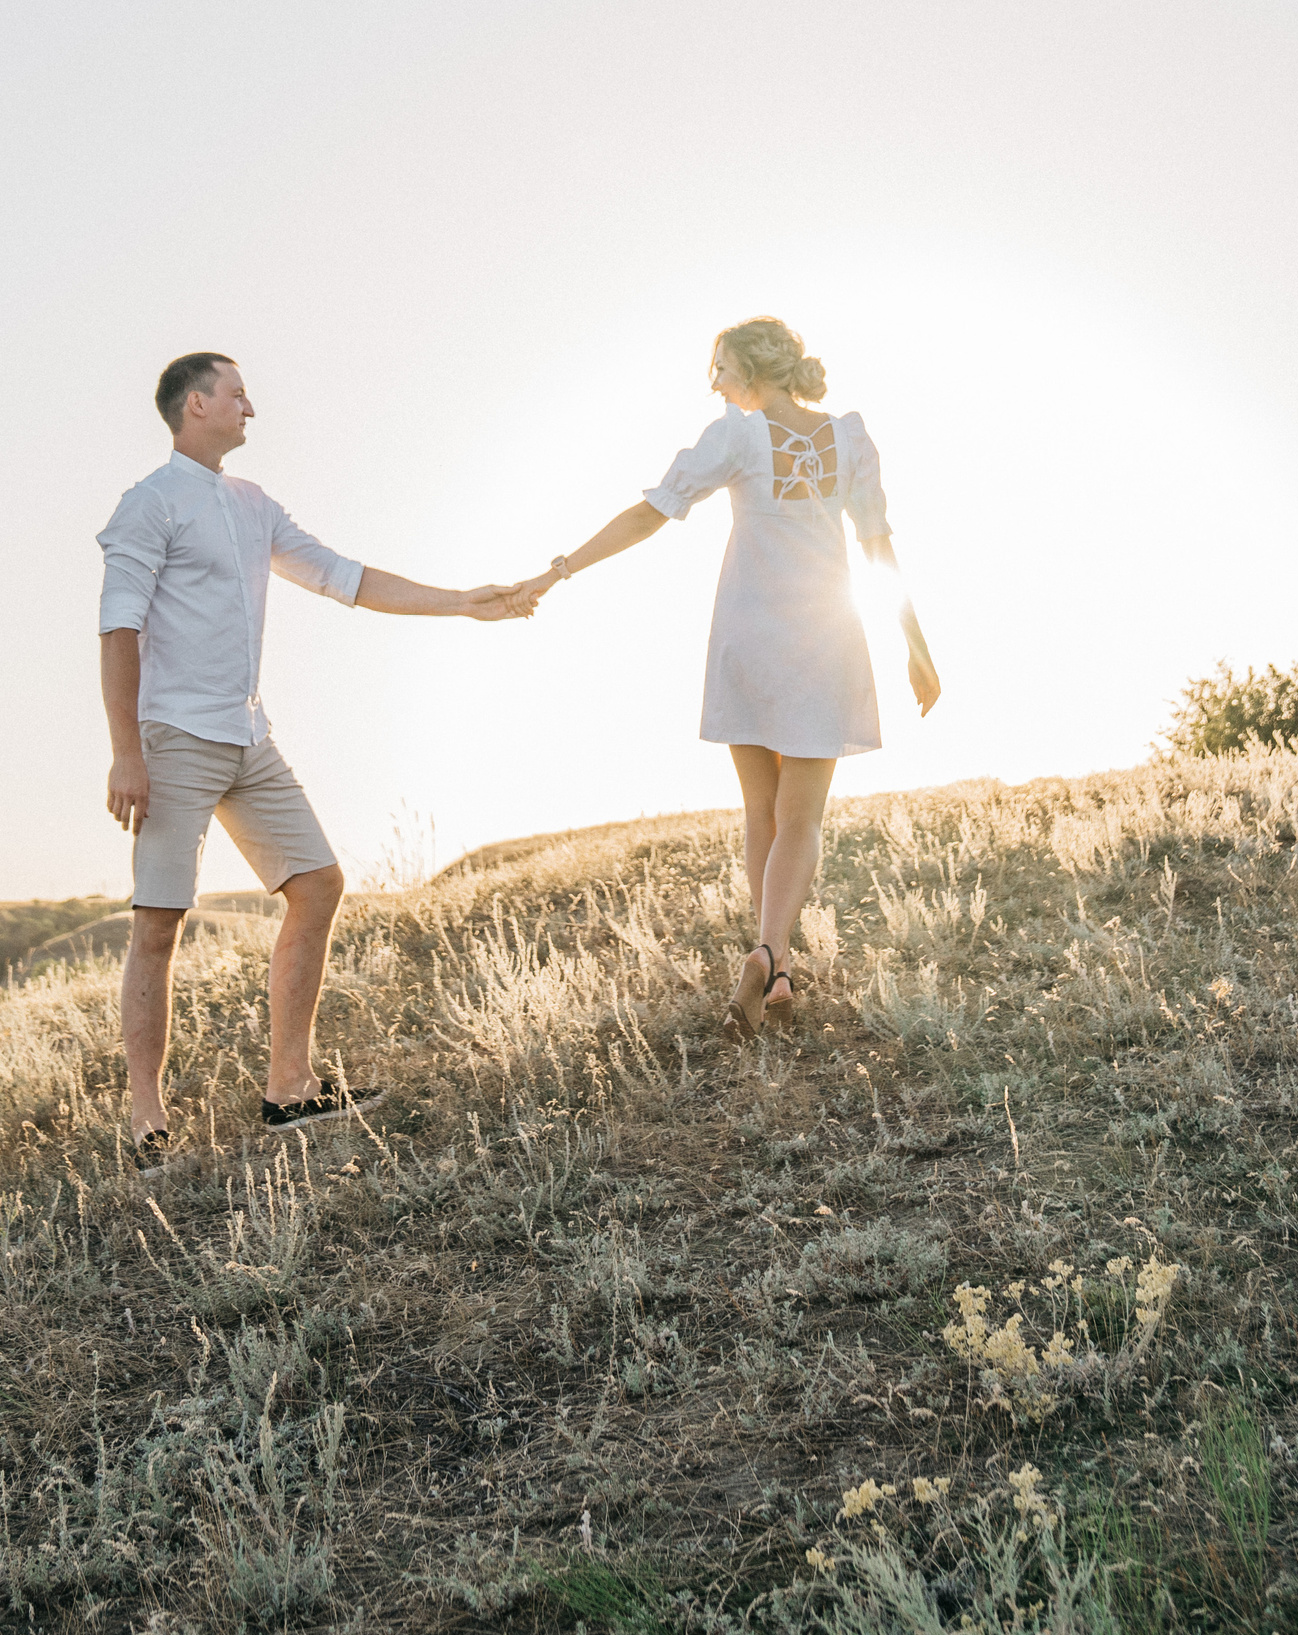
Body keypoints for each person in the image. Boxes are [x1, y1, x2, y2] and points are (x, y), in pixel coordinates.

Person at [98, 352, 531, 1170]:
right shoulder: (148, 505)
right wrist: (127, 752)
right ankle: (147, 1123)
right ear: (196, 405)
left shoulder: (253, 505)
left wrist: (462, 602)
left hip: (249, 738)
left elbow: (345, 578)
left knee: (318, 883)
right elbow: (117, 629)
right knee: (159, 923)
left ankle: (289, 1088)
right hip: (174, 741)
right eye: (236, 394)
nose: (250, 407)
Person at [517, 317, 940, 1038]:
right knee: (801, 818)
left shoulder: (736, 435)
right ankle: (772, 957)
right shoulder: (850, 438)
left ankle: (768, 965)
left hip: (749, 637)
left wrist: (559, 569)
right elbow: (877, 546)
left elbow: (653, 512)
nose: (713, 382)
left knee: (761, 812)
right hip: (825, 638)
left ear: (749, 367)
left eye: (719, 367)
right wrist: (916, 647)